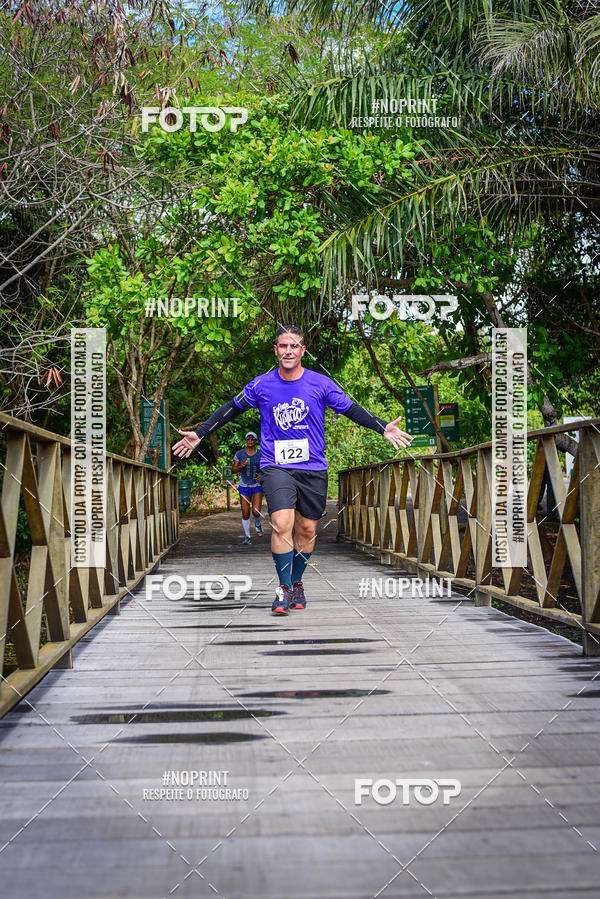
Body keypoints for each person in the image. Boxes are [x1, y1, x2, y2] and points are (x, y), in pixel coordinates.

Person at [172, 325, 413, 616]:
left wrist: (381, 427)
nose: (288, 351)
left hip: (312, 467)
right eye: (283, 346)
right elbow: (231, 409)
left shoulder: (320, 383)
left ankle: (297, 582)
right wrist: (200, 433)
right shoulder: (262, 385)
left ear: (302, 350)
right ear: (276, 350)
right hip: (276, 466)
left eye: (294, 346)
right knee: (282, 524)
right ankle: (283, 588)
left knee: (308, 528)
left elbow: (351, 408)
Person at [232, 431, 263, 544]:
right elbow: (233, 470)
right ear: (245, 440)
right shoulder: (240, 454)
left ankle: (258, 524)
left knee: (255, 511)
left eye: (252, 439)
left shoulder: (260, 454)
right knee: (245, 513)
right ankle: (247, 537)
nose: (250, 441)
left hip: (257, 486)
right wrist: (241, 466)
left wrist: (262, 475)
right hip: (244, 486)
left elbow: (267, 468)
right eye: (248, 439)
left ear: (255, 441)